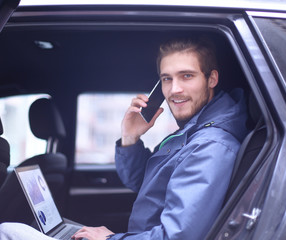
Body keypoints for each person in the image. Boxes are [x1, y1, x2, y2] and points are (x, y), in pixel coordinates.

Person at [0, 36, 249, 240]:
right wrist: (130, 137)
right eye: (166, 79)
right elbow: (144, 184)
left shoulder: (209, 145)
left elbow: (177, 237)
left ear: (212, 78)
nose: (174, 89)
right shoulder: (193, 132)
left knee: (6, 231)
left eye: (187, 76)